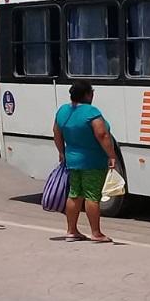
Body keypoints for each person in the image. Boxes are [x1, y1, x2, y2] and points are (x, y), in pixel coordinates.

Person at [52, 80, 116, 243]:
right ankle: (96, 233)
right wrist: (111, 155)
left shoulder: (63, 111)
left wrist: (61, 152)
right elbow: (102, 134)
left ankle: (71, 230)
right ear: (87, 94)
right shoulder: (91, 112)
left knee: (75, 194)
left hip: (72, 160)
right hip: (92, 161)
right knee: (92, 196)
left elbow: (56, 132)